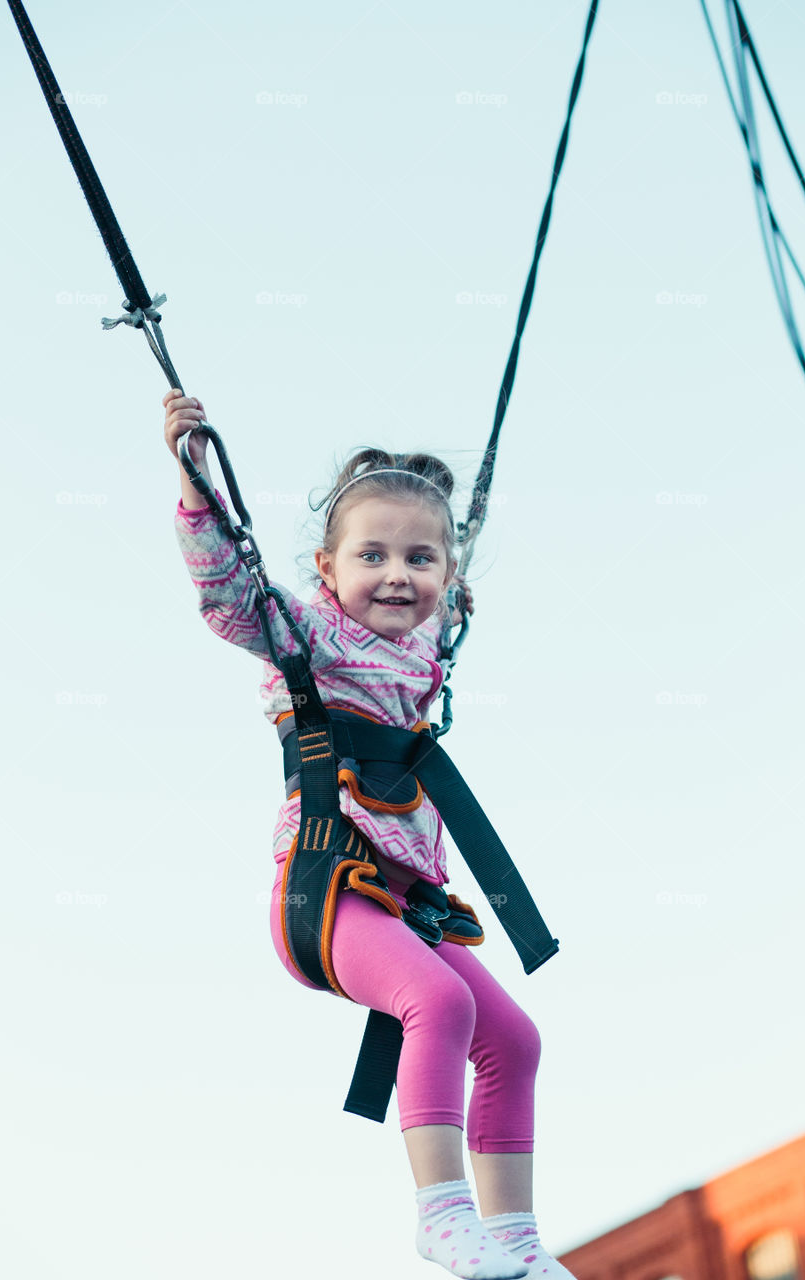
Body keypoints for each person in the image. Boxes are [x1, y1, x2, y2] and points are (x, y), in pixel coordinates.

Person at [163, 388, 575, 1280]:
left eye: (420, 558)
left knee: (515, 1042)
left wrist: (450, 581)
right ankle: (442, 1212)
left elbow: (442, 602)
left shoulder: (429, 649)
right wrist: (198, 486)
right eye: (373, 555)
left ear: (448, 577)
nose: (397, 574)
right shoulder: (303, 633)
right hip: (325, 889)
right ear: (326, 568)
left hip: (408, 903)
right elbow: (227, 595)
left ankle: (513, 1237)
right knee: (445, 1004)